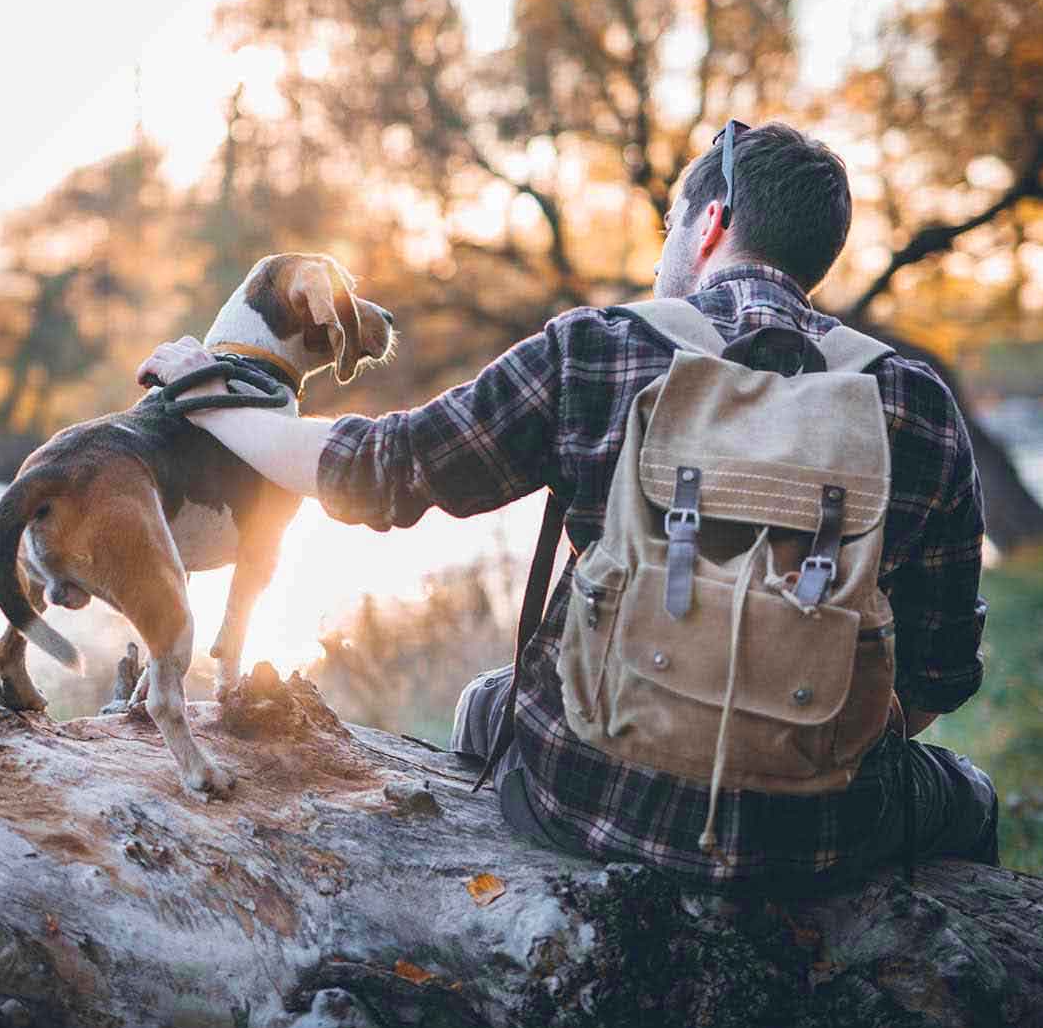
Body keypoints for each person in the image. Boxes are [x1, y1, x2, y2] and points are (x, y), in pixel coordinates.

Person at [137, 121, 998, 896]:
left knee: (487, 703)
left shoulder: (597, 350)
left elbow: (377, 471)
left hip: (585, 795)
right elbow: (939, 676)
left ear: (709, 226)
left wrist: (207, 394)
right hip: (826, 833)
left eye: (670, 229)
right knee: (970, 794)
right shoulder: (913, 401)